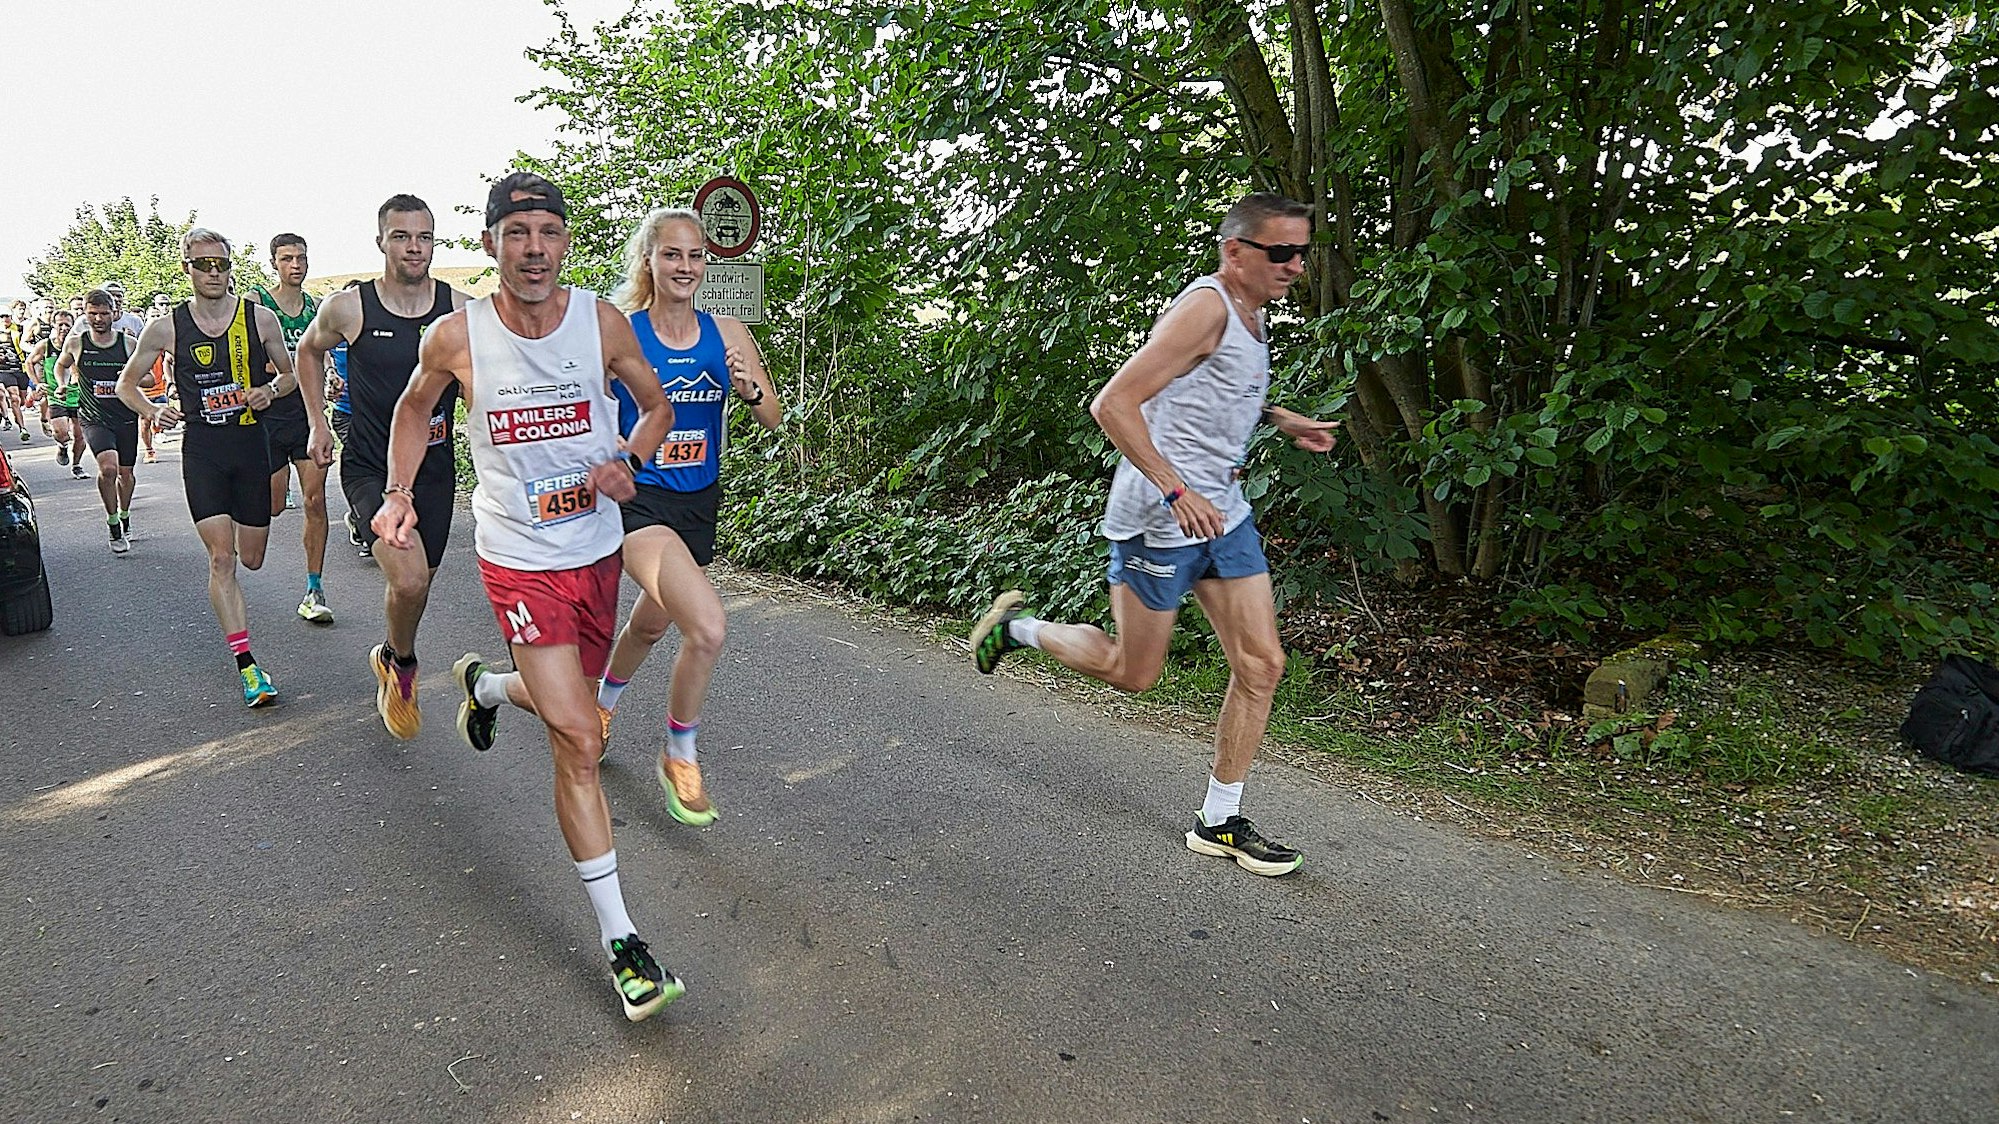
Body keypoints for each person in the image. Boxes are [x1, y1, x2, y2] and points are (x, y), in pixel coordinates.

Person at [379, 172, 680, 1021]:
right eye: (518, 235)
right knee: (580, 737)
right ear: (491, 246)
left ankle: (482, 687)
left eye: (549, 233)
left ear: (566, 244)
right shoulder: (457, 337)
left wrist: (632, 457)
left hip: (595, 552)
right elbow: (412, 412)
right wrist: (400, 493)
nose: (535, 249)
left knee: (566, 709)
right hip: (516, 556)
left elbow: (653, 408)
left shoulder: (602, 323)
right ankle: (623, 939)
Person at [970, 193, 1338, 878]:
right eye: (1280, 252)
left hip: (1222, 511)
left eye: (1301, 252)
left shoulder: (1251, 313)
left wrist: (1279, 416)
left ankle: (1219, 821)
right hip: (1159, 515)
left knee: (1261, 666)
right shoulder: (1205, 306)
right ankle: (1015, 628)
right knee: (1131, 673)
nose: (1294, 265)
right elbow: (1112, 402)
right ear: (1235, 252)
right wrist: (1174, 487)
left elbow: (1211, 391)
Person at [595, 207, 782, 826]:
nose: (684, 266)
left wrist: (746, 386)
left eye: (695, 255)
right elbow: (582, 407)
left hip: (698, 501)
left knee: (650, 627)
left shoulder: (725, 332)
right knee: (706, 627)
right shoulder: (622, 330)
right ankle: (679, 753)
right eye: (671, 254)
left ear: (707, 263)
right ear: (648, 260)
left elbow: (772, 416)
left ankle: (602, 706)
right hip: (639, 501)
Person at [116, 228, 309, 707]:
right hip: (202, 451)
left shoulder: (259, 319)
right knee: (221, 560)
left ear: (229, 266)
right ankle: (248, 669)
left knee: (253, 557)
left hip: (251, 447)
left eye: (220, 263)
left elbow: (291, 374)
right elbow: (126, 385)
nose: (213, 272)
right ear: (188, 269)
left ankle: (247, 648)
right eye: (203, 264)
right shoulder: (166, 328)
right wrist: (152, 410)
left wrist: (271, 391)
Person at [296, 196, 465, 738]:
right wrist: (318, 422)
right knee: (409, 576)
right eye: (401, 236)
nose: (413, 247)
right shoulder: (351, 308)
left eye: (423, 237)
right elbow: (308, 352)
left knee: (419, 583)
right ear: (381, 242)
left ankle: (394, 653)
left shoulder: (461, 310)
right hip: (371, 466)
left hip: (435, 471)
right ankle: (404, 668)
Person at [247, 233, 334, 624]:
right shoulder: (257, 303)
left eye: (301, 258)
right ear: (274, 264)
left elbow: (320, 354)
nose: (295, 265)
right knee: (274, 504)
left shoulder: (316, 308)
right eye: (287, 259)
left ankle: (314, 588)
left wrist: (329, 375)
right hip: (267, 417)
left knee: (315, 501)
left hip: (306, 415)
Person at [59, 290, 141, 552]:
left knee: (126, 475)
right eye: (92, 314)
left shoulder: (127, 343)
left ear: (114, 313)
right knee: (108, 469)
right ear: (84, 313)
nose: (97, 319)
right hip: (94, 417)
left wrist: (126, 379)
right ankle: (113, 523)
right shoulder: (76, 343)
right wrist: (62, 384)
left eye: (103, 313)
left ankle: (125, 514)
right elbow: (61, 365)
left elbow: (148, 377)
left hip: (126, 417)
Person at [26, 312, 83, 474]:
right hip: (55, 395)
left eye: (67, 325)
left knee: (80, 435)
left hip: (78, 395)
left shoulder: (79, 344)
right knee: (61, 431)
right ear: (53, 325)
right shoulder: (46, 345)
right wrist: (38, 383)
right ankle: (62, 446)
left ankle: (77, 465)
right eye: (60, 325)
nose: (64, 328)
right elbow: (29, 362)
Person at [0, 313, 29, 438]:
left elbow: (28, 342)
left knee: (22, 400)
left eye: (7, 316)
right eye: (1, 316)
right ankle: (23, 428)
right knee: (15, 398)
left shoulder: (19, 329)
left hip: (20, 368)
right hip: (4, 370)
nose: (5, 319)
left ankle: (13, 415)